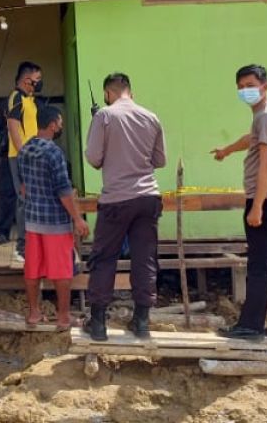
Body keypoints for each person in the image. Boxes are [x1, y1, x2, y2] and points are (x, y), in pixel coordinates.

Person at [211, 64, 267, 342]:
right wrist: (227, 150)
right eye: (240, 87)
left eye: (250, 85)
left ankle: (251, 325)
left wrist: (257, 206)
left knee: (260, 265)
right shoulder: (264, 117)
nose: (245, 91)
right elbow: (252, 139)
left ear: (265, 85)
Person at [81, 73, 167, 342]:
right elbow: (159, 160)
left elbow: (94, 159)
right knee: (144, 258)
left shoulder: (104, 117)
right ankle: (141, 322)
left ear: (108, 93)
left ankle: (97, 325)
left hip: (116, 199)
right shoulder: (151, 117)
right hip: (148, 197)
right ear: (131, 91)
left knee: (104, 258)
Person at [16, 104, 89, 329]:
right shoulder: (54, 152)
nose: (61, 126)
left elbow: (24, 188)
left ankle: (34, 314)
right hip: (55, 223)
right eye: (59, 122)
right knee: (61, 271)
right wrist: (77, 218)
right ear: (52, 125)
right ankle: (64, 317)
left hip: (32, 221)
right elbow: (63, 190)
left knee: (33, 269)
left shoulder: (25, 149)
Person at [0, 62, 43, 267]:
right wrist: (24, 153)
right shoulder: (16, 98)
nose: (39, 84)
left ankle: (30, 242)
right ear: (27, 80)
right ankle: (21, 247)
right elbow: (12, 126)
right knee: (22, 199)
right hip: (19, 157)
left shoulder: (29, 100)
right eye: (37, 80)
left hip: (29, 155)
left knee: (27, 199)